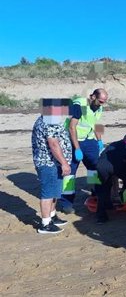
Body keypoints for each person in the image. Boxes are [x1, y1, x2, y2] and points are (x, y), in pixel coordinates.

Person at [60, 88, 108, 214]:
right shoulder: (79, 105)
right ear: (93, 97)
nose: (102, 104)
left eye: (104, 102)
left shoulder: (99, 108)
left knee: (94, 169)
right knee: (70, 173)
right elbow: (71, 127)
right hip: (73, 140)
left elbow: (97, 124)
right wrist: (77, 148)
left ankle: (95, 193)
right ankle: (67, 203)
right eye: (101, 101)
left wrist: (99, 141)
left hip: (90, 141)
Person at [31, 98, 73, 234]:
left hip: (54, 163)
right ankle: (45, 224)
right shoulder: (48, 122)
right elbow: (53, 144)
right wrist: (65, 163)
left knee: (55, 191)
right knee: (48, 193)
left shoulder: (48, 120)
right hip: (48, 163)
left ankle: (52, 216)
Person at [94, 132, 126, 224]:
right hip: (119, 164)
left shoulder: (115, 143)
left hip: (100, 165)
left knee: (102, 189)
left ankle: (101, 217)